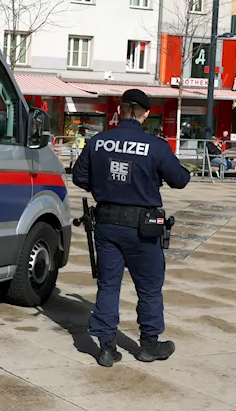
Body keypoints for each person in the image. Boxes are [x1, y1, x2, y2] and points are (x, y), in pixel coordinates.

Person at [72, 89, 190, 367]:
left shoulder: (99, 141)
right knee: (149, 287)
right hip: (143, 228)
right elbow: (180, 180)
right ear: (146, 114)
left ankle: (105, 346)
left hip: (107, 223)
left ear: (121, 110)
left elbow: (79, 176)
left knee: (108, 285)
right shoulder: (156, 145)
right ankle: (149, 345)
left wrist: (104, 187)